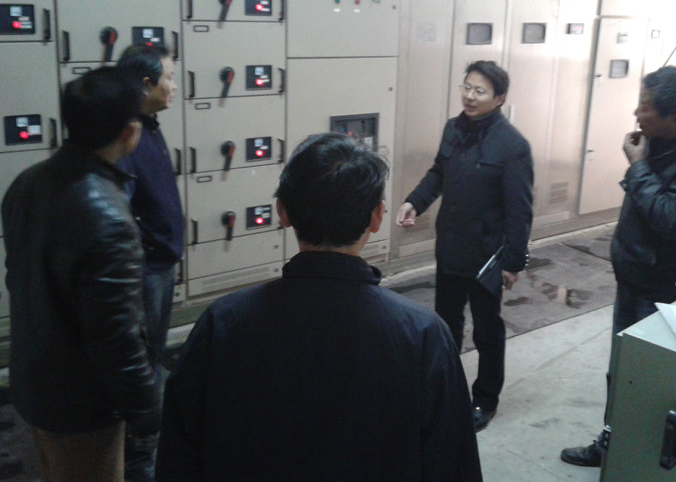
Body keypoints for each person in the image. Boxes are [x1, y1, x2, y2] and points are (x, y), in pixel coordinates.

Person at [156, 133, 483, 482]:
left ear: (282, 211)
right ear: (377, 217)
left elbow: (178, 457)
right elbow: (454, 465)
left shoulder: (222, 322)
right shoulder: (423, 335)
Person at [560, 65, 676, 467]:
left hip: (663, 288)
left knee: (651, 379)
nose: (636, 114)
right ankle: (612, 445)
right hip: (634, 276)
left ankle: (638, 461)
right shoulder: (663, 138)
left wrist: (638, 166)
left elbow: (671, 220)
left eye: (645, 107)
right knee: (622, 369)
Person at [2, 67, 160, 482]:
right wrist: (147, 410)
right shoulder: (107, 216)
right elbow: (116, 336)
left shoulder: (26, 183)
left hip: (35, 382)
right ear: (129, 133)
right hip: (82, 406)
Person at [396, 60, 534, 432]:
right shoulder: (453, 128)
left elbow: (520, 210)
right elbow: (438, 173)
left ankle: (484, 400)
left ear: (499, 98)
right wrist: (414, 202)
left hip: (487, 256)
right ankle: (442, 388)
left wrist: (514, 262)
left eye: (480, 91)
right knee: (445, 324)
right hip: (451, 247)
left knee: (487, 331)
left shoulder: (513, 146)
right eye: (467, 88)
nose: (470, 97)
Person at [116, 45, 184, 482]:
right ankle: (139, 457)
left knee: (154, 357)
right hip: (146, 274)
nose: (174, 86)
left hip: (161, 266)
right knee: (142, 363)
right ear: (145, 84)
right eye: (168, 78)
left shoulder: (150, 129)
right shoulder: (127, 137)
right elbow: (121, 216)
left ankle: (146, 444)